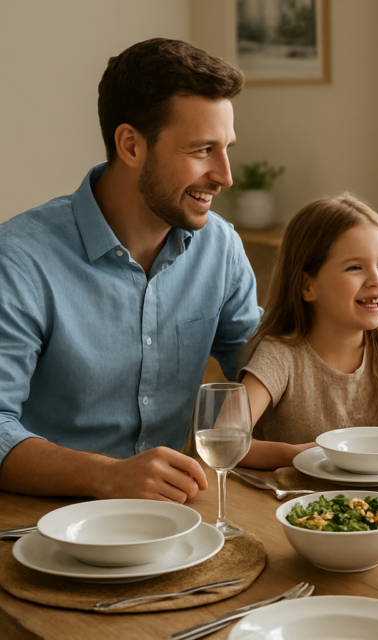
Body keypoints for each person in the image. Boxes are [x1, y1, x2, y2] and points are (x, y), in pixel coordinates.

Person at [0, 39, 260, 501]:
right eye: (203, 150)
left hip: (173, 520)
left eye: (226, 149)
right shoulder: (20, 259)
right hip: (40, 526)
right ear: (130, 145)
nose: (225, 175)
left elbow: (268, 369)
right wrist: (109, 476)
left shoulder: (220, 248)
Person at [237, 194, 378, 470]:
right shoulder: (280, 355)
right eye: (355, 267)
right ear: (308, 286)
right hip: (287, 503)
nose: (376, 279)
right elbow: (226, 439)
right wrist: (299, 455)